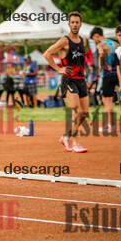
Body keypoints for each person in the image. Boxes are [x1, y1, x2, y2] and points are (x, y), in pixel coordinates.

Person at [43, 12, 89, 153]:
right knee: (76, 110)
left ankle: (66, 136)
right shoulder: (64, 41)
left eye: (77, 22)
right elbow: (47, 54)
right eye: (72, 22)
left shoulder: (84, 40)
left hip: (81, 80)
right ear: (69, 24)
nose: (75, 25)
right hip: (69, 80)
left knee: (84, 113)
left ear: (80, 24)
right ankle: (75, 142)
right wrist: (58, 69)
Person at [90, 27, 120, 134]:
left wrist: (104, 65)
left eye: (94, 39)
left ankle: (110, 126)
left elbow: (101, 55)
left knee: (107, 101)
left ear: (96, 36)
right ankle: (111, 125)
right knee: (109, 101)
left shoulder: (101, 45)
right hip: (116, 74)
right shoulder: (115, 43)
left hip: (107, 75)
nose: (95, 41)